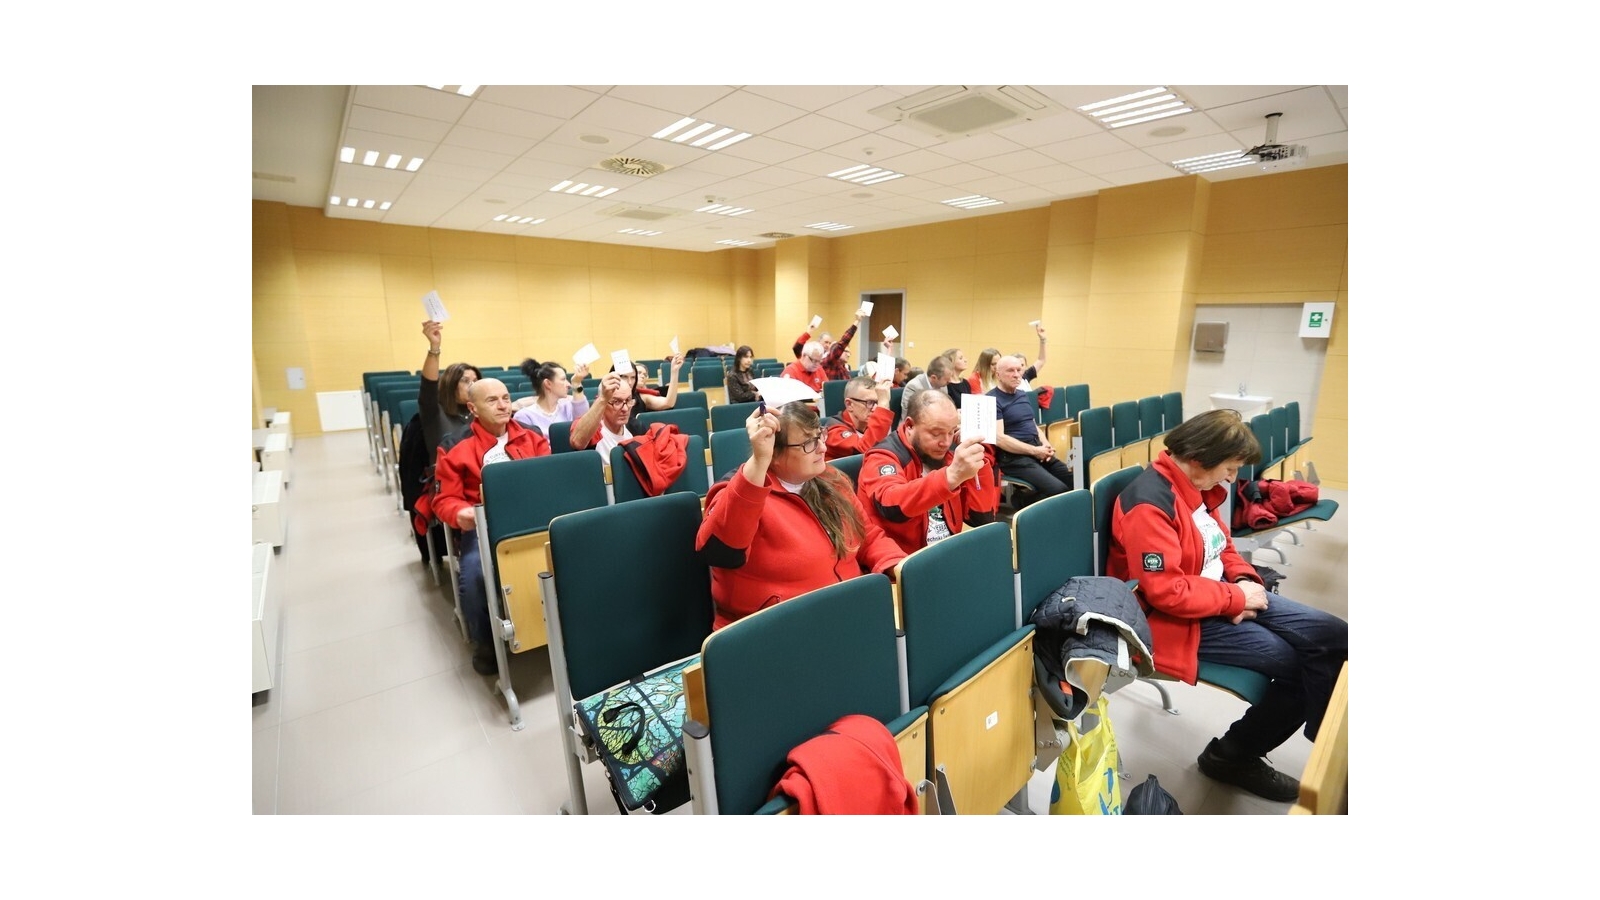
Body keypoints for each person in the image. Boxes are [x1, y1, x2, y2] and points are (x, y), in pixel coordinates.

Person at [1107, 408, 1347, 802]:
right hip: (1174, 618)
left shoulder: (1197, 487)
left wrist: (1243, 580)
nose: (1233, 479)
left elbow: (1222, 546)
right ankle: (1234, 756)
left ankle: (1331, 749)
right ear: (1199, 459)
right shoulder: (1149, 505)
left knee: (1336, 635)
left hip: (1217, 593)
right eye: (1230, 468)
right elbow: (1165, 592)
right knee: (1302, 666)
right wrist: (1233, 599)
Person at [696, 402, 905, 630]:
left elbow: (868, 536)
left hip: (846, 614)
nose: (823, 448)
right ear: (774, 453)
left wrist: (899, 566)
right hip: (777, 630)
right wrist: (758, 461)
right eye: (808, 443)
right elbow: (721, 551)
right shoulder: (742, 493)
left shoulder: (831, 479)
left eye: (820, 436)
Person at [432, 377, 552, 675]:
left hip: (532, 521)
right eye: (492, 400)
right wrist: (460, 512)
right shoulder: (454, 446)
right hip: (482, 527)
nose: (503, 405)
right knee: (475, 575)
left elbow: (548, 477)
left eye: (506, 398)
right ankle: (485, 642)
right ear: (472, 408)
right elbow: (444, 500)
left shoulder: (532, 436)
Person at [858, 390, 996, 554]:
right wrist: (951, 476)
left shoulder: (950, 456)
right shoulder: (882, 456)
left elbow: (980, 517)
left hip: (948, 550)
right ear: (910, 425)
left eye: (951, 431)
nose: (945, 442)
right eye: (936, 434)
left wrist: (978, 464)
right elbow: (892, 506)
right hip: (904, 558)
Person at [990, 355, 1072, 502]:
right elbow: (999, 438)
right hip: (1014, 458)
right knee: (1059, 491)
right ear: (998, 375)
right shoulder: (991, 399)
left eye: (1019, 370)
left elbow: (1032, 424)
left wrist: (1045, 444)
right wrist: (1035, 451)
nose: (1016, 374)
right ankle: (1021, 501)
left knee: (1076, 481)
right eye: (1010, 370)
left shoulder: (1022, 394)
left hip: (1036, 450)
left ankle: (1025, 498)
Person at [417, 320, 481, 460]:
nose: (473, 385)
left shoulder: (480, 412)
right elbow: (428, 385)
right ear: (451, 384)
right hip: (445, 471)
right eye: (465, 380)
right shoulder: (434, 412)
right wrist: (434, 347)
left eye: (475, 381)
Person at [510, 360, 590, 436]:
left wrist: (577, 383)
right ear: (548, 384)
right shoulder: (524, 416)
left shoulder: (568, 406)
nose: (568, 385)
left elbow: (584, 422)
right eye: (563, 379)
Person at [823, 376, 895, 461]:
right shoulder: (834, 432)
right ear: (849, 404)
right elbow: (866, 450)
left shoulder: (866, 423)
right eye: (870, 402)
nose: (875, 409)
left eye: (878, 403)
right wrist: (883, 405)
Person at [568, 370, 636, 456]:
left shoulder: (636, 427)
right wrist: (603, 398)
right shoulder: (593, 427)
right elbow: (577, 442)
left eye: (628, 400)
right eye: (616, 402)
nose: (625, 409)